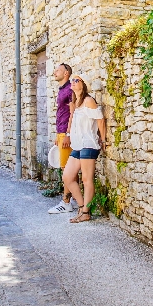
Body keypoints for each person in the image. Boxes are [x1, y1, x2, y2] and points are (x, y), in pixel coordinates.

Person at [62, 75, 107, 223]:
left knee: (87, 179)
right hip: (78, 144)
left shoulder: (88, 101)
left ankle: (86, 212)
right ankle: (82, 206)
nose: (73, 82)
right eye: (72, 81)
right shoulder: (76, 102)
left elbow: (100, 119)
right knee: (67, 177)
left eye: (76, 80)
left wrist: (104, 139)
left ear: (83, 84)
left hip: (88, 143)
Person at [48, 63, 76, 214]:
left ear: (66, 73)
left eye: (57, 70)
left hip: (66, 134)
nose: (54, 72)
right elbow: (61, 113)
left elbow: (73, 113)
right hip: (61, 133)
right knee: (66, 168)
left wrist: (67, 134)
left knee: (66, 169)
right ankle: (73, 200)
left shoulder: (69, 89)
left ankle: (66, 203)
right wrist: (58, 135)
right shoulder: (62, 90)